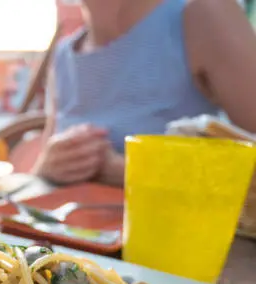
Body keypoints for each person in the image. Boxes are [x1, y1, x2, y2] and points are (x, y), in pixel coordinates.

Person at [33, 0, 256, 186]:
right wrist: (47, 166)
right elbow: (39, 175)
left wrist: (130, 171)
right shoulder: (63, 55)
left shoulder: (203, 13)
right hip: (68, 233)